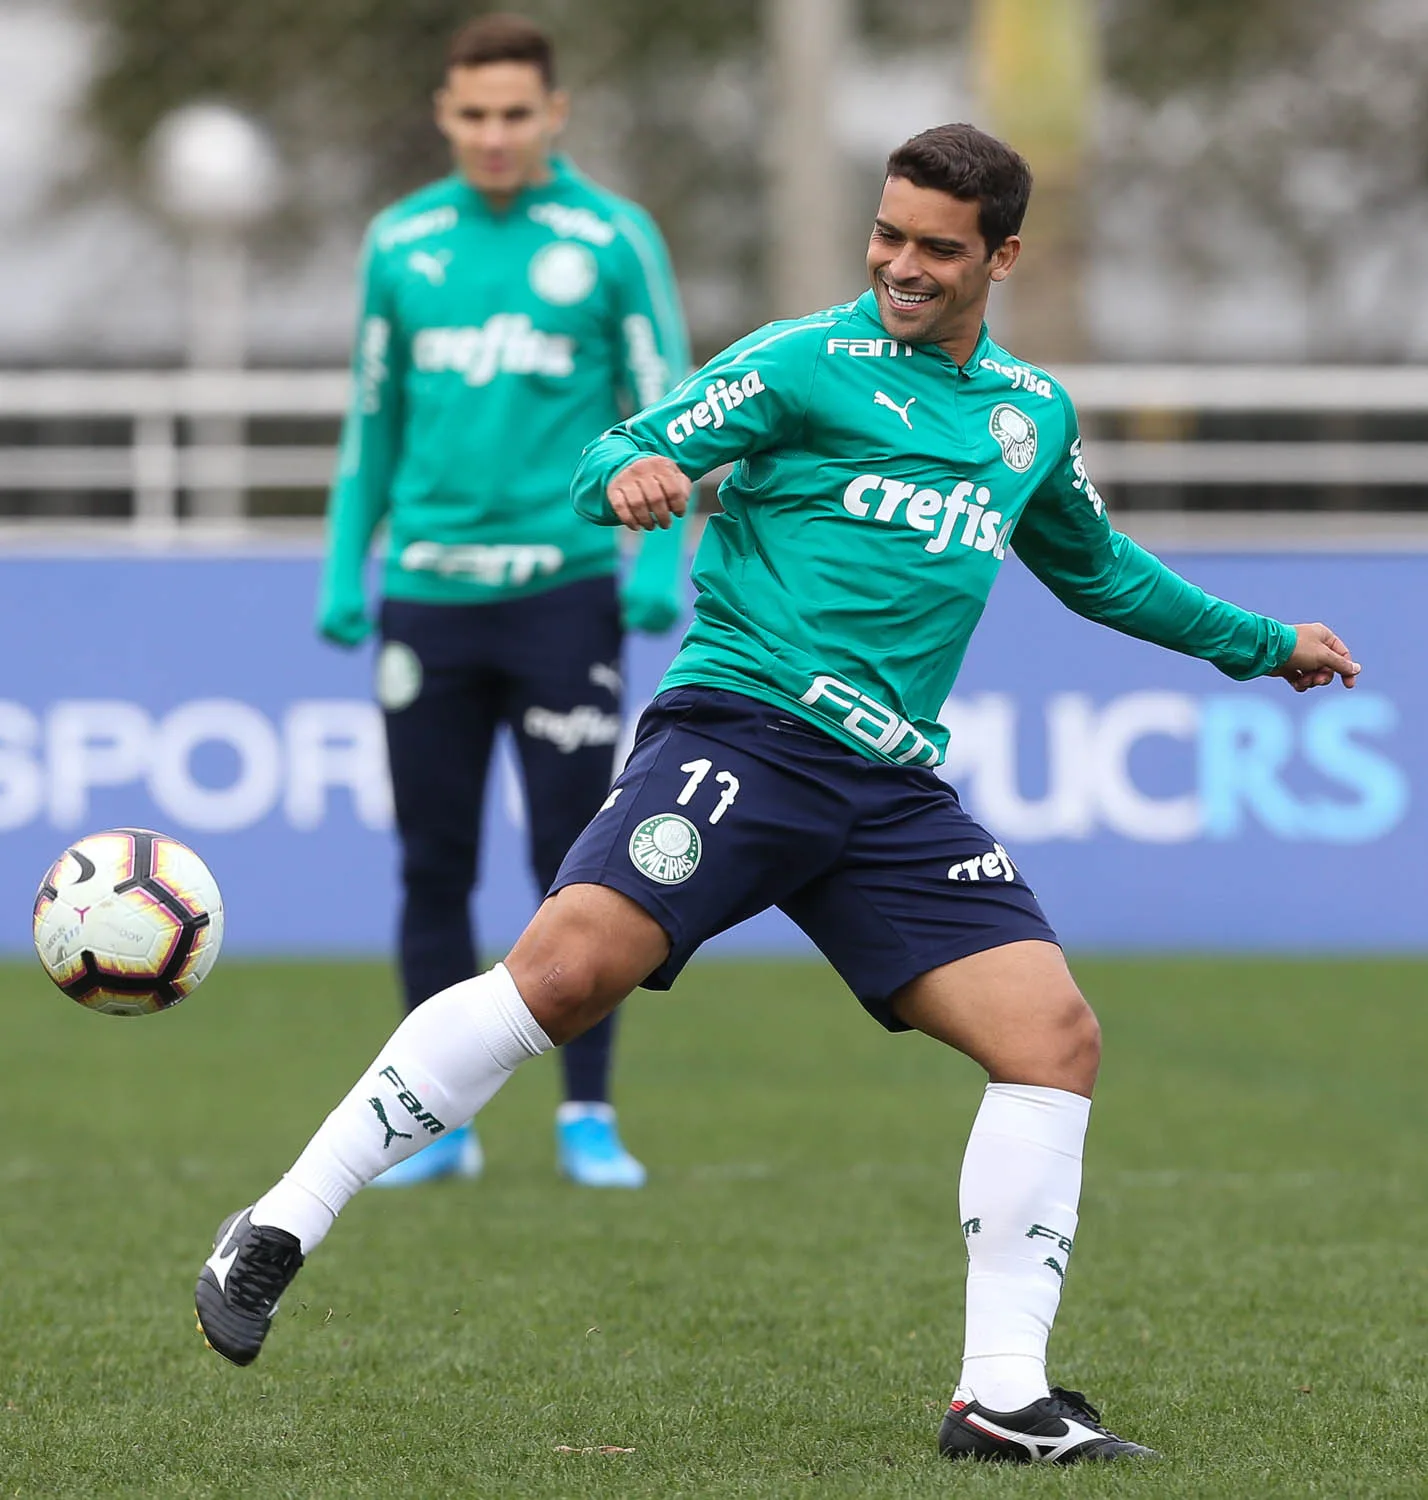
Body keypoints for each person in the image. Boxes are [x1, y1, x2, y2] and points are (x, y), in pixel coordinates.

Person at [198, 123, 1360, 1462]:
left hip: (889, 786)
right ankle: (282, 1219)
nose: (902, 267)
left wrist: (1261, 645)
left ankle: (1002, 1395)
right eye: (887, 235)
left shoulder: (1028, 414)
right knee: (564, 975)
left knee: (1052, 1039)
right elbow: (618, 450)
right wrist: (633, 476)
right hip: (748, 733)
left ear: (1003, 256)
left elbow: (1096, 569)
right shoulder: (804, 360)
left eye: (936, 247)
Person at [316, 14, 689, 1188]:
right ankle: (438, 1126)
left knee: (581, 870)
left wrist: (657, 563)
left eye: (515, 115)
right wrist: (345, 564)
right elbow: (374, 420)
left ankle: (587, 1115)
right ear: (444, 113)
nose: (493, 135)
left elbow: (665, 407)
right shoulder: (402, 242)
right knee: (434, 864)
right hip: (428, 601)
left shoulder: (612, 239)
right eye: (472, 115)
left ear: (554, 116)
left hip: (562, 600)